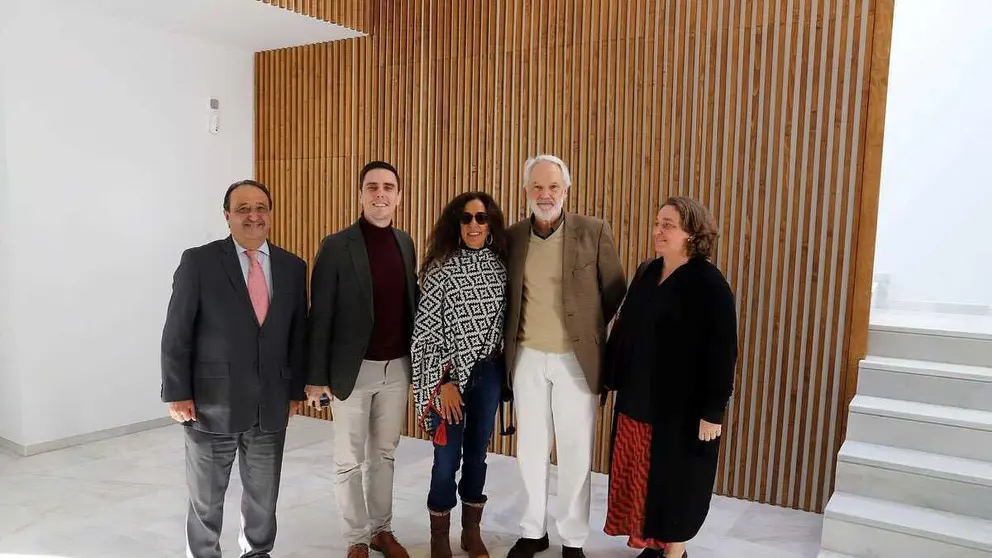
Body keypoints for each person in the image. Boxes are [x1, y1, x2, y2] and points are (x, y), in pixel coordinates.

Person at [160, 179, 308, 558]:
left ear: (271, 214)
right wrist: (177, 392)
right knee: (206, 501)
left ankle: (257, 553)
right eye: (242, 209)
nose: (253, 216)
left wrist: (294, 391)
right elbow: (177, 331)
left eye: (260, 207)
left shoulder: (292, 267)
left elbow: (297, 334)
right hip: (211, 405)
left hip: (270, 405)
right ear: (227, 216)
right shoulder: (200, 261)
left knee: (263, 498)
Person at [504, 155, 627, 558]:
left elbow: (614, 292)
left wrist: (585, 333)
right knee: (530, 450)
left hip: (576, 360)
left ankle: (572, 538)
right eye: (537, 187)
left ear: (566, 190)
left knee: (575, 451)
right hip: (525, 357)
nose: (545, 194)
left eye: (553, 187)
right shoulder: (513, 237)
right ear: (526, 191)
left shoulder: (594, 232)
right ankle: (532, 530)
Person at [602, 197, 738, 558]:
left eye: (668, 225)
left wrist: (714, 411)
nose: (658, 231)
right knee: (643, 479)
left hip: (680, 408)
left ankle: (674, 552)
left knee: (676, 483)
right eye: (657, 222)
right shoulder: (648, 270)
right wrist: (608, 376)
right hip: (637, 398)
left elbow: (723, 353)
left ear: (692, 234)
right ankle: (652, 542)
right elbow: (626, 326)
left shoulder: (709, 284)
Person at [305, 161, 418, 558]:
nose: (380, 193)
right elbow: (320, 315)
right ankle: (356, 538)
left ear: (399, 196)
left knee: (384, 455)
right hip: (351, 371)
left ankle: (381, 530)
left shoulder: (406, 243)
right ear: (360, 194)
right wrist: (316, 377)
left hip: (396, 369)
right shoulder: (336, 246)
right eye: (372, 186)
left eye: (389, 186)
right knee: (349, 461)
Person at [411, 192, 511, 558]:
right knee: (445, 459)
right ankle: (440, 535)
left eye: (481, 218)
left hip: (488, 374)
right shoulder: (439, 269)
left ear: (490, 223)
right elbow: (424, 332)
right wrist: (445, 383)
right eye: (466, 218)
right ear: (456, 222)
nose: (473, 225)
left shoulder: (501, 267)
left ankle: (471, 531)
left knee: (477, 456)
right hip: (448, 380)